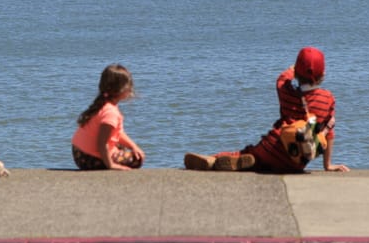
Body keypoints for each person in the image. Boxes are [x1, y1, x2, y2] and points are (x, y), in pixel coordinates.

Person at [184, 46, 349, 173]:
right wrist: (328, 165)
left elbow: (282, 78)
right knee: (270, 161)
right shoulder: (328, 99)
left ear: (297, 72)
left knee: (246, 153)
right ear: (322, 75)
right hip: (297, 160)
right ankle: (256, 164)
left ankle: (213, 160)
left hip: (273, 146)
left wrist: (294, 68)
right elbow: (330, 132)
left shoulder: (286, 91)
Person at [72, 64, 145, 170]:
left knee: (125, 148)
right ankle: (107, 161)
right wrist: (111, 165)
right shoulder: (111, 113)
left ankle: (111, 156)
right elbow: (102, 144)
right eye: (129, 85)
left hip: (79, 152)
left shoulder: (102, 104)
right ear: (122, 89)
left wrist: (133, 146)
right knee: (136, 160)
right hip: (88, 158)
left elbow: (116, 134)